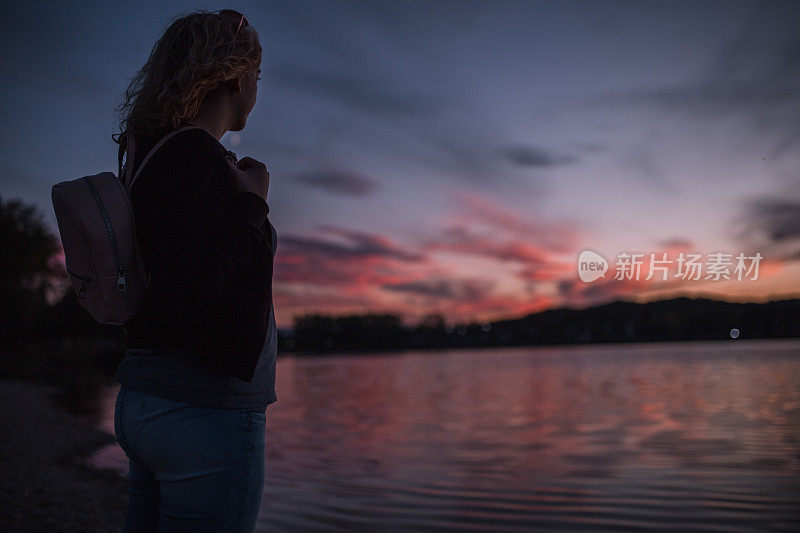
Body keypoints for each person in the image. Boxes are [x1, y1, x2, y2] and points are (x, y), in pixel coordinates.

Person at [110, 9, 276, 532]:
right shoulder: (196, 157)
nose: (257, 89)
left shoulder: (158, 155)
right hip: (204, 412)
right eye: (257, 75)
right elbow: (188, 293)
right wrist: (253, 208)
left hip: (151, 402)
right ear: (234, 76)